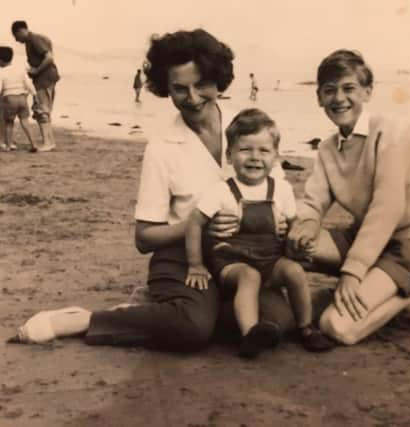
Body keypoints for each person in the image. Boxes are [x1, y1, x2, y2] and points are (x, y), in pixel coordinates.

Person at [11, 29, 296, 352]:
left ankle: (173, 311)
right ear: (164, 88)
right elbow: (145, 238)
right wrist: (196, 224)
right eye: (179, 88)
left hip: (244, 259)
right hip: (182, 258)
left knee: (279, 320)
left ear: (219, 80)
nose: (192, 97)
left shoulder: (250, 131)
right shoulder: (162, 147)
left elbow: (279, 196)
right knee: (191, 332)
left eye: (201, 84)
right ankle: (90, 320)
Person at [287, 50, 410, 346]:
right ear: (319, 97)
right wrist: (307, 223)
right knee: (290, 241)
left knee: (336, 326)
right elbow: (313, 200)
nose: (339, 98)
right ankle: (380, 281)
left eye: (349, 89)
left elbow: (389, 208)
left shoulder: (390, 134)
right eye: (329, 90)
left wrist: (353, 271)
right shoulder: (327, 148)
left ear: (367, 92)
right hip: (368, 237)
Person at [185, 108, 333, 358]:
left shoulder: (281, 189)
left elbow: (293, 224)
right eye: (245, 150)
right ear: (230, 155)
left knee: (294, 271)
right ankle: (249, 335)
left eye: (264, 150)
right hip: (232, 263)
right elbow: (193, 223)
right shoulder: (221, 191)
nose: (255, 157)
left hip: (270, 260)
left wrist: (298, 244)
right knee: (250, 276)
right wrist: (195, 264)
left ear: (275, 156)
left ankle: (306, 327)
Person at [11, 20, 60, 152]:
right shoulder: (34, 40)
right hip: (46, 78)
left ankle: (47, 143)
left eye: (16, 36)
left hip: (44, 79)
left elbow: (49, 58)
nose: (16, 40)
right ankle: (50, 142)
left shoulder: (34, 39)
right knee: (44, 110)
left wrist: (37, 70)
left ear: (21, 31)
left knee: (41, 110)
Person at [0, 46, 37, 152]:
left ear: (1, 61)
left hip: (10, 99)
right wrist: (34, 95)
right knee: (25, 121)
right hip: (22, 98)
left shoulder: (1, 72)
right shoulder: (19, 69)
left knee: (9, 123)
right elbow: (28, 84)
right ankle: (33, 144)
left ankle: (8, 145)